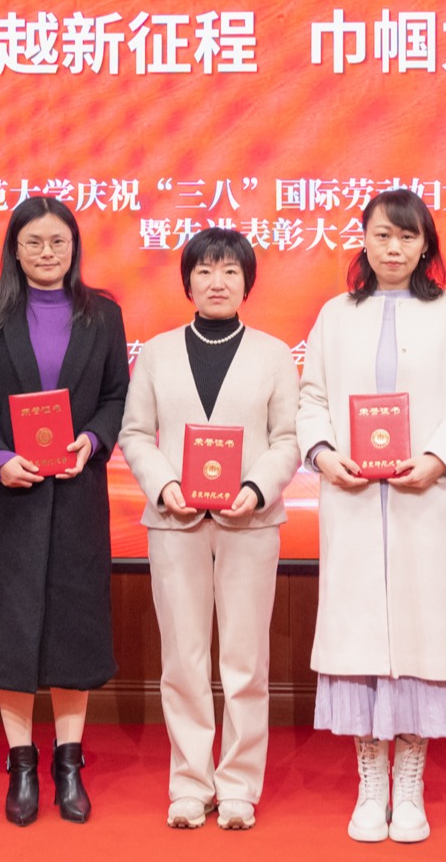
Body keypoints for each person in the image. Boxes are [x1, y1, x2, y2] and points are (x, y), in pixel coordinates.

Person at [297, 189, 446, 845]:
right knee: (360, 643)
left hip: (421, 499)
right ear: (364, 240)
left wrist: (438, 459)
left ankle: (410, 782)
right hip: (352, 500)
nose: (394, 248)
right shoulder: (335, 315)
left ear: (425, 245)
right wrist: (324, 455)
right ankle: (370, 782)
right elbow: (311, 398)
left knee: (418, 640)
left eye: (408, 237)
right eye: (382, 235)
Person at [118, 228, 301, 831]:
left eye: (229, 271)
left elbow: (288, 439)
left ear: (247, 283)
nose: (216, 282)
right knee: (183, 659)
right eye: (204, 271)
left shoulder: (275, 354)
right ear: (187, 282)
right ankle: (190, 783)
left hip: (252, 521)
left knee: (246, 661)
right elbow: (136, 433)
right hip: (175, 521)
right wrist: (163, 484)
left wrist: (256, 488)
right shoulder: (157, 353)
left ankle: (240, 784)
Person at [0, 196, 128, 826]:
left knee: (72, 631)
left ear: (74, 247)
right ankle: (22, 763)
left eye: (58, 241)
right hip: (12, 497)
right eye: (33, 242)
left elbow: (116, 396)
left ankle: (69, 762)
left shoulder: (103, 314)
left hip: (79, 494)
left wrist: (92, 441)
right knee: (11, 633)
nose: (46, 252)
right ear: (14, 248)